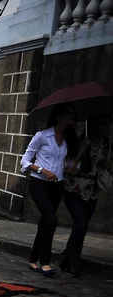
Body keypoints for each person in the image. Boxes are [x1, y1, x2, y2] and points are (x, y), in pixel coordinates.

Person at [20, 103, 78, 277]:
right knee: (52, 220)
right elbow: (24, 160)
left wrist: (71, 166)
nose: (72, 116)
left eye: (73, 114)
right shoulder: (42, 136)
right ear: (58, 117)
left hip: (57, 185)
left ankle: (32, 260)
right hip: (39, 184)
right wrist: (41, 170)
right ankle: (45, 262)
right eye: (68, 113)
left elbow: (68, 162)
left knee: (46, 222)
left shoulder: (69, 139)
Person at [60, 113, 111, 276]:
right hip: (74, 188)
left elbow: (106, 169)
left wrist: (110, 164)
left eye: (108, 125)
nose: (106, 128)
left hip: (92, 192)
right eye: (103, 124)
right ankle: (74, 259)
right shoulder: (81, 143)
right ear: (95, 126)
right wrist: (82, 150)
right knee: (81, 224)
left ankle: (67, 256)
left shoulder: (107, 146)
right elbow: (68, 169)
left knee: (81, 227)